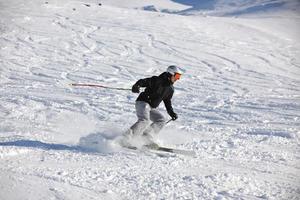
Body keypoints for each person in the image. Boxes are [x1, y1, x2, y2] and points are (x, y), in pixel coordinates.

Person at [120, 65, 183, 147]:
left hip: (151, 107)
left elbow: (167, 101)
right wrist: (136, 86)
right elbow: (143, 81)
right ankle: (126, 137)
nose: (178, 79)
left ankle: (146, 137)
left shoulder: (170, 89)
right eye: (177, 76)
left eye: (179, 77)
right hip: (143, 102)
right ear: (171, 74)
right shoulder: (157, 80)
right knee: (144, 120)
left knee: (161, 120)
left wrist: (171, 113)